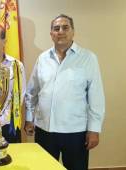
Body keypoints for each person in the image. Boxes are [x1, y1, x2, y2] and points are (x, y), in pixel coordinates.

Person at [25, 14, 105, 170]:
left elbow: (96, 97)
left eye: (65, 27)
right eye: (56, 28)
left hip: (75, 132)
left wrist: (94, 129)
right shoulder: (42, 58)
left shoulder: (88, 58)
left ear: (73, 31)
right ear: (51, 34)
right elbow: (31, 92)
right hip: (44, 130)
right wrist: (29, 118)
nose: (60, 31)